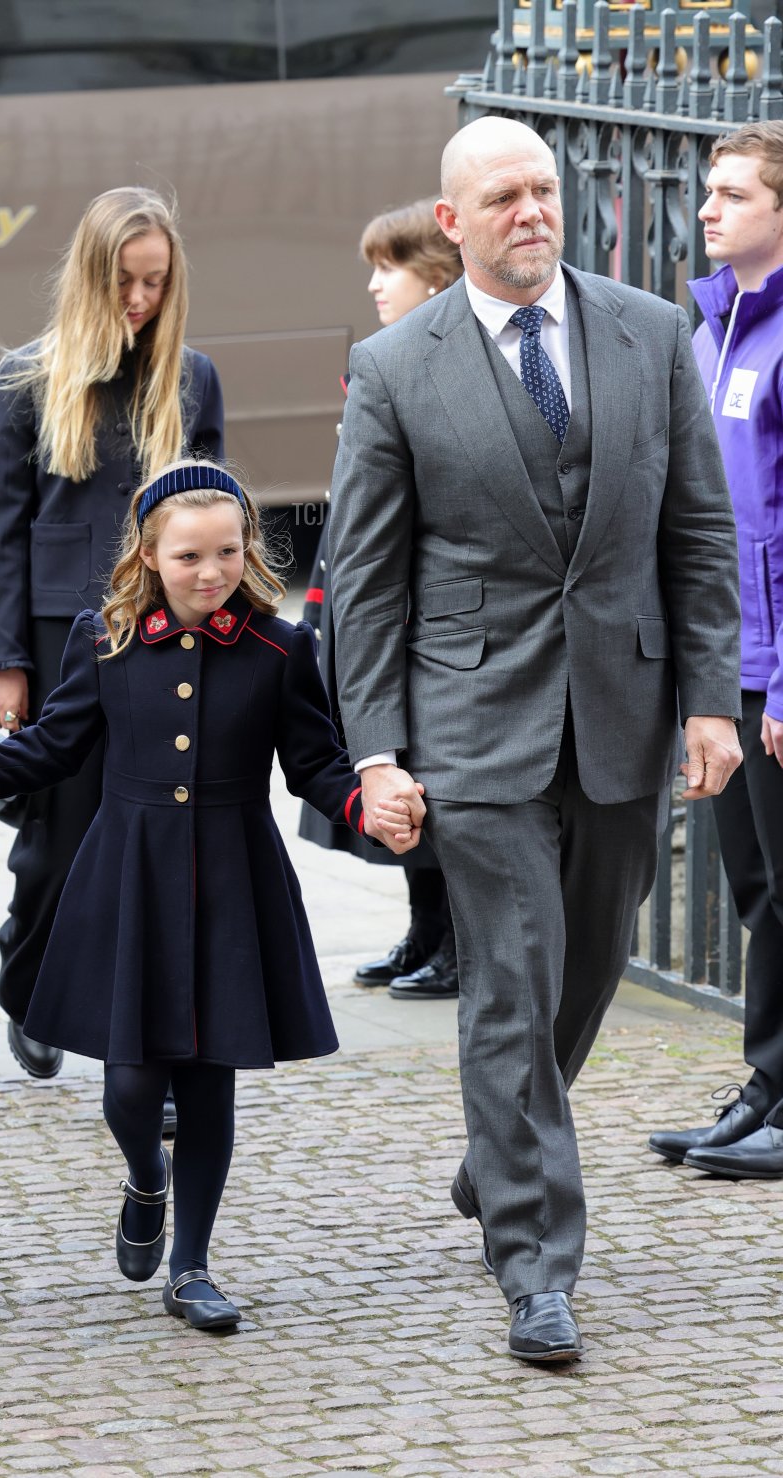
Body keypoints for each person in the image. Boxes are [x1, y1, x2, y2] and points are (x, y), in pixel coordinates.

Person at [328, 116, 742, 1362]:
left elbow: (699, 533)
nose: (533, 211)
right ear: (451, 222)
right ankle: (538, 1263)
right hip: (472, 718)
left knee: (589, 967)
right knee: (509, 979)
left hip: (624, 703)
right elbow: (366, 577)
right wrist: (379, 749)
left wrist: (714, 699)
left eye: (545, 190)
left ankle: (497, 1155)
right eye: (504, 195)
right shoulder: (397, 363)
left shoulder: (652, 331)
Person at [0, 461, 377, 1331]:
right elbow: (49, 749)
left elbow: (313, 762)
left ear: (248, 549)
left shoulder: (280, 648)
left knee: (208, 1084)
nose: (212, 573)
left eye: (228, 552)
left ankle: (192, 1265)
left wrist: (364, 804)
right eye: (191, 556)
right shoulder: (105, 639)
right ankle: (145, 1176)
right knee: (131, 1089)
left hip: (235, 883)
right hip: (130, 879)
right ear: (151, 556)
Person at [0, 187, 223, 1082]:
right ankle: (31, 980)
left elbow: (214, 518)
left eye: (156, 283)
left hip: (165, 638)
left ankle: (149, 1044)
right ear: (91, 277)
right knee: (60, 834)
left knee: (161, 837)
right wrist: (4, 663)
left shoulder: (192, 378)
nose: (140, 300)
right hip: (55, 640)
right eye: (125, 282)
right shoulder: (24, 381)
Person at [648, 122, 783, 1179]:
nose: (708, 208)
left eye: (734, 193)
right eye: (709, 191)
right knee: (756, 888)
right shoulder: (709, 327)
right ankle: (769, 1085)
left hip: (777, 669)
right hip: (725, 661)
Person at [299, 199, 463, 1001]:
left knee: (430, 777)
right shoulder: (385, 361)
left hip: (424, 610)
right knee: (385, 767)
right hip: (362, 589)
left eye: (387, 268)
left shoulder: (446, 365)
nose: (374, 286)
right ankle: (425, 931)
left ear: (435, 278)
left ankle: (457, 943)